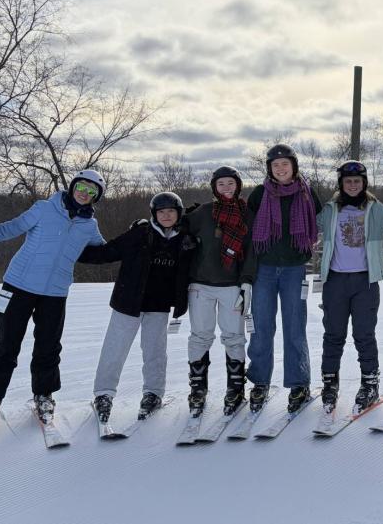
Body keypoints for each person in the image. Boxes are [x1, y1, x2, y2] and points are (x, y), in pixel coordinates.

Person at [0, 170, 107, 429]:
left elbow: (106, 251)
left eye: (92, 191)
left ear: (96, 197)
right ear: (73, 186)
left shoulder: (89, 226)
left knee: (48, 347)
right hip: (18, 286)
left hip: (55, 292)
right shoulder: (44, 209)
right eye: (82, 186)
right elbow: (8, 229)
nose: (85, 193)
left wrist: (137, 240)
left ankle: (44, 395)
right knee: (6, 344)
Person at [79, 192, 194, 424]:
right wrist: (72, 251)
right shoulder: (140, 233)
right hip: (127, 302)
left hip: (159, 306)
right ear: (154, 214)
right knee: (115, 350)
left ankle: (153, 393)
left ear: (178, 213)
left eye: (171, 211)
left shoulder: (185, 240)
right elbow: (108, 251)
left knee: (155, 352)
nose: (166, 215)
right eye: (161, 212)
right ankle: (104, 393)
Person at [316, 161, 383, 414]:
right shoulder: (331, 209)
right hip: (335, 281)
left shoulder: (375, 209)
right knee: (333, 334)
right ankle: (330, 383)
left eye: (357, 181)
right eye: (348, 181)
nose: (353, 185)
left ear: (364, 183)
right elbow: (309, 224)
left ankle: (370, 383)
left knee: (364, 335)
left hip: (365, 281)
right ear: (341, 184)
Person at [246, 144, 322, 413]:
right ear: (269, 168)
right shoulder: (259, 194)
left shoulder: (307, 193)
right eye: (275, 165)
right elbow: (246, 228)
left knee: (294, 327)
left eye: (284, 164)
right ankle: (259, 382)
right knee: (262, 328)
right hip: (264, 270)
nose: (280, 168)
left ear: (293, 166)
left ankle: (299, 383)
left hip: (294, 270)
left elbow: (322, 220)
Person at [179, 166, 257, 418]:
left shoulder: (247, 215)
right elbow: (174, 226)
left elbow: (252, 249)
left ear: (237, 185)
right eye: (221, 184)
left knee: (234, 336)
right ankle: (198, 388)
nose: (226, 188)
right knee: (200, 335)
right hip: (200, 285)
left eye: (230, 183)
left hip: (232, 285)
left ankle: (235, 388)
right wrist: (183, 237)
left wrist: (246, 280)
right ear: (214, 187)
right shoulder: (202, 213)